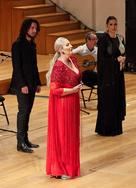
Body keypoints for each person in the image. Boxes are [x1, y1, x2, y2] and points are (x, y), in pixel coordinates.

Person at [46, 37, 82, 179]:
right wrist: (73, 90)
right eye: (67, 45)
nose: (71, 46)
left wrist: (78, 86)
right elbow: (54, 90)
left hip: (73, 101)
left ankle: (69, 166)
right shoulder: (59, 66)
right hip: (63, 104)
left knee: (72, 135)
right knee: (64, 135)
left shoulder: (73, 60)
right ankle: (62, 168)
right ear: (60, 50)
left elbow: (76, 77)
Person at [10, 18, 41, 153]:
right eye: (31, 28)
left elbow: (34, 66)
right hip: (21, 83)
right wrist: (22, 84)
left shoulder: (32, 45)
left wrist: (38, 82)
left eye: (35, 28)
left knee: (28, 111)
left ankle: (26, 139)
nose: (34, 30)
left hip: (32, 83)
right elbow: (16, 67)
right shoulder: (17, 45)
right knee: (23, 111)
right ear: (26, 28)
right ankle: (20, 142)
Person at [95, 16, 126, 136]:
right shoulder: (103, 39)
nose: (113, 27)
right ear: (107, 26)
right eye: (111, 24)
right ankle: (105, 129)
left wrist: (123, 58)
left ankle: (116, 128)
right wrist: (115, 60)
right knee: (108, 101)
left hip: (118, 75)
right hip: (107, 77)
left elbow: (124, 53)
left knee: (117, 99)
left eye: (115, 24)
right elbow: (101, 59)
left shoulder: (120, 39)